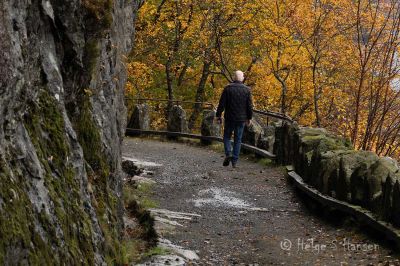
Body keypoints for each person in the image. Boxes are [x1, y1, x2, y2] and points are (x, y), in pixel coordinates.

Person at [216, 70, 253, 168]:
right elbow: (249, 106)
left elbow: (221, 104)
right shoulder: (247, 90)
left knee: (227, 137)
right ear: (242, 78)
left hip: (230, 118)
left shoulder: (227, 89)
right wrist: (249, 118)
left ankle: (228, 154)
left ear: (234, 78)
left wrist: (218, 115)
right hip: (241, 119)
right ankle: (235, 161)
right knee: (238, 139)